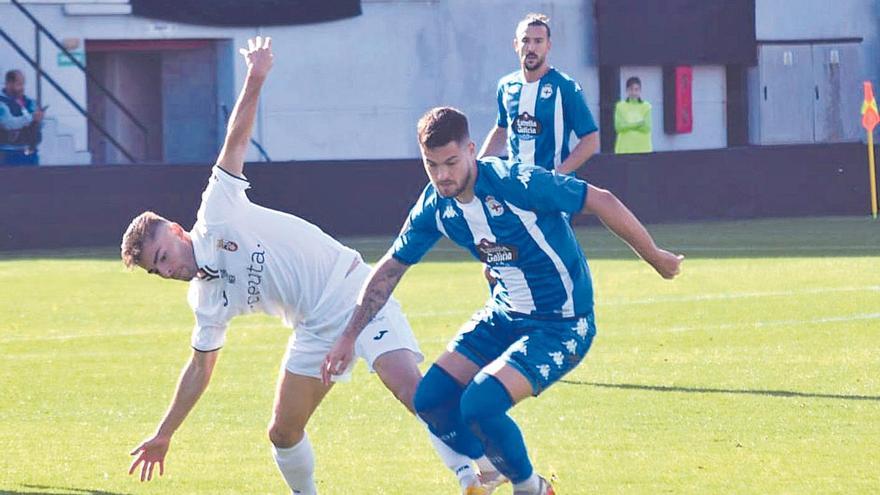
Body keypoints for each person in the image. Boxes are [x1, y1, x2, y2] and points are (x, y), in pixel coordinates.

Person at [123, 38, 485, 495]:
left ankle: (477, 472)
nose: (167, 270)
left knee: (411, 391)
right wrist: (165, 432)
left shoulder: (216, 213)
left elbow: (235, 140)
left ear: (176, 231)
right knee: (282, 432)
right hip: (314, 328)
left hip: (353, 290)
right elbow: (200, 369)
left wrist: (255, 79)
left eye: (162, 257)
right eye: (157, 271)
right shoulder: (205, 299)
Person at [323, 107, 683, 495]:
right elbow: (390, 269)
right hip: (505, 313)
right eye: (431, 165)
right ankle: (489, 467)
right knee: (430, 400)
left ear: (472, 151)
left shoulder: (516, 182)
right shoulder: (435, 206)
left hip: (562, 323)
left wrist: (656, 257)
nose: (442, 175)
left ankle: (532, 488)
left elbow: (601, 199)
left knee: (479, 405)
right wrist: (349, 335)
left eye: (451, 162)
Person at [478, 13, 599, 176]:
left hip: (553, 190)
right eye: (525, 40)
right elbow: (501, 129)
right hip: (517, 187)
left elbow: (590, 140)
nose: (531, 48)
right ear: (516, 45)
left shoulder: (565, 86)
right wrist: (477, 168)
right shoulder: (506, 86)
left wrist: (558, 175)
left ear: (548, 45)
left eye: (538, 41)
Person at [0, 69, 44, 166]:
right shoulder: (1, 103)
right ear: (8, 84)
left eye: (23, 84)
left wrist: (38, 119)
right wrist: (31, 118)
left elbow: (39, 124)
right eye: (19, 84)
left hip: (29, 152)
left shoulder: (29, 102)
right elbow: (9, 123)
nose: (22, 88)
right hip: (7, 154)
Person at [614, 77, 653, 154]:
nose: (634, 93)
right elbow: (619, 127)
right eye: (631, 89)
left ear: (640, 91)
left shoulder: (646, 106)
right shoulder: (620, 106)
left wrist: (627, 125)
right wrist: (639, 124)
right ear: (627, 90)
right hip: (624, 149)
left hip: (643, 149)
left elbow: (647, 128)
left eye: (636, 89)